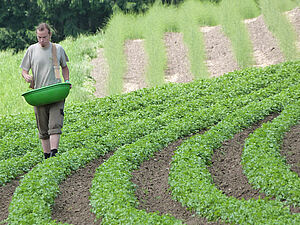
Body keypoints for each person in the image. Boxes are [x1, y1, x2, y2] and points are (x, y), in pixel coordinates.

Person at [20, 23, 70, 159]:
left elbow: (65, 67)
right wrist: (26, 76)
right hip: (39, 95)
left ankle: (54, 153)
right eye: (39, 37)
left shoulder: (57, 49)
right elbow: (24, 70)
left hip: (55, 93)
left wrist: (67, 81)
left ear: (50, 35)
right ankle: (46, 156)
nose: (41, 40)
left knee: (55, 124)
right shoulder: (31, 50)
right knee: (42, 128)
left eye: (44, 37)